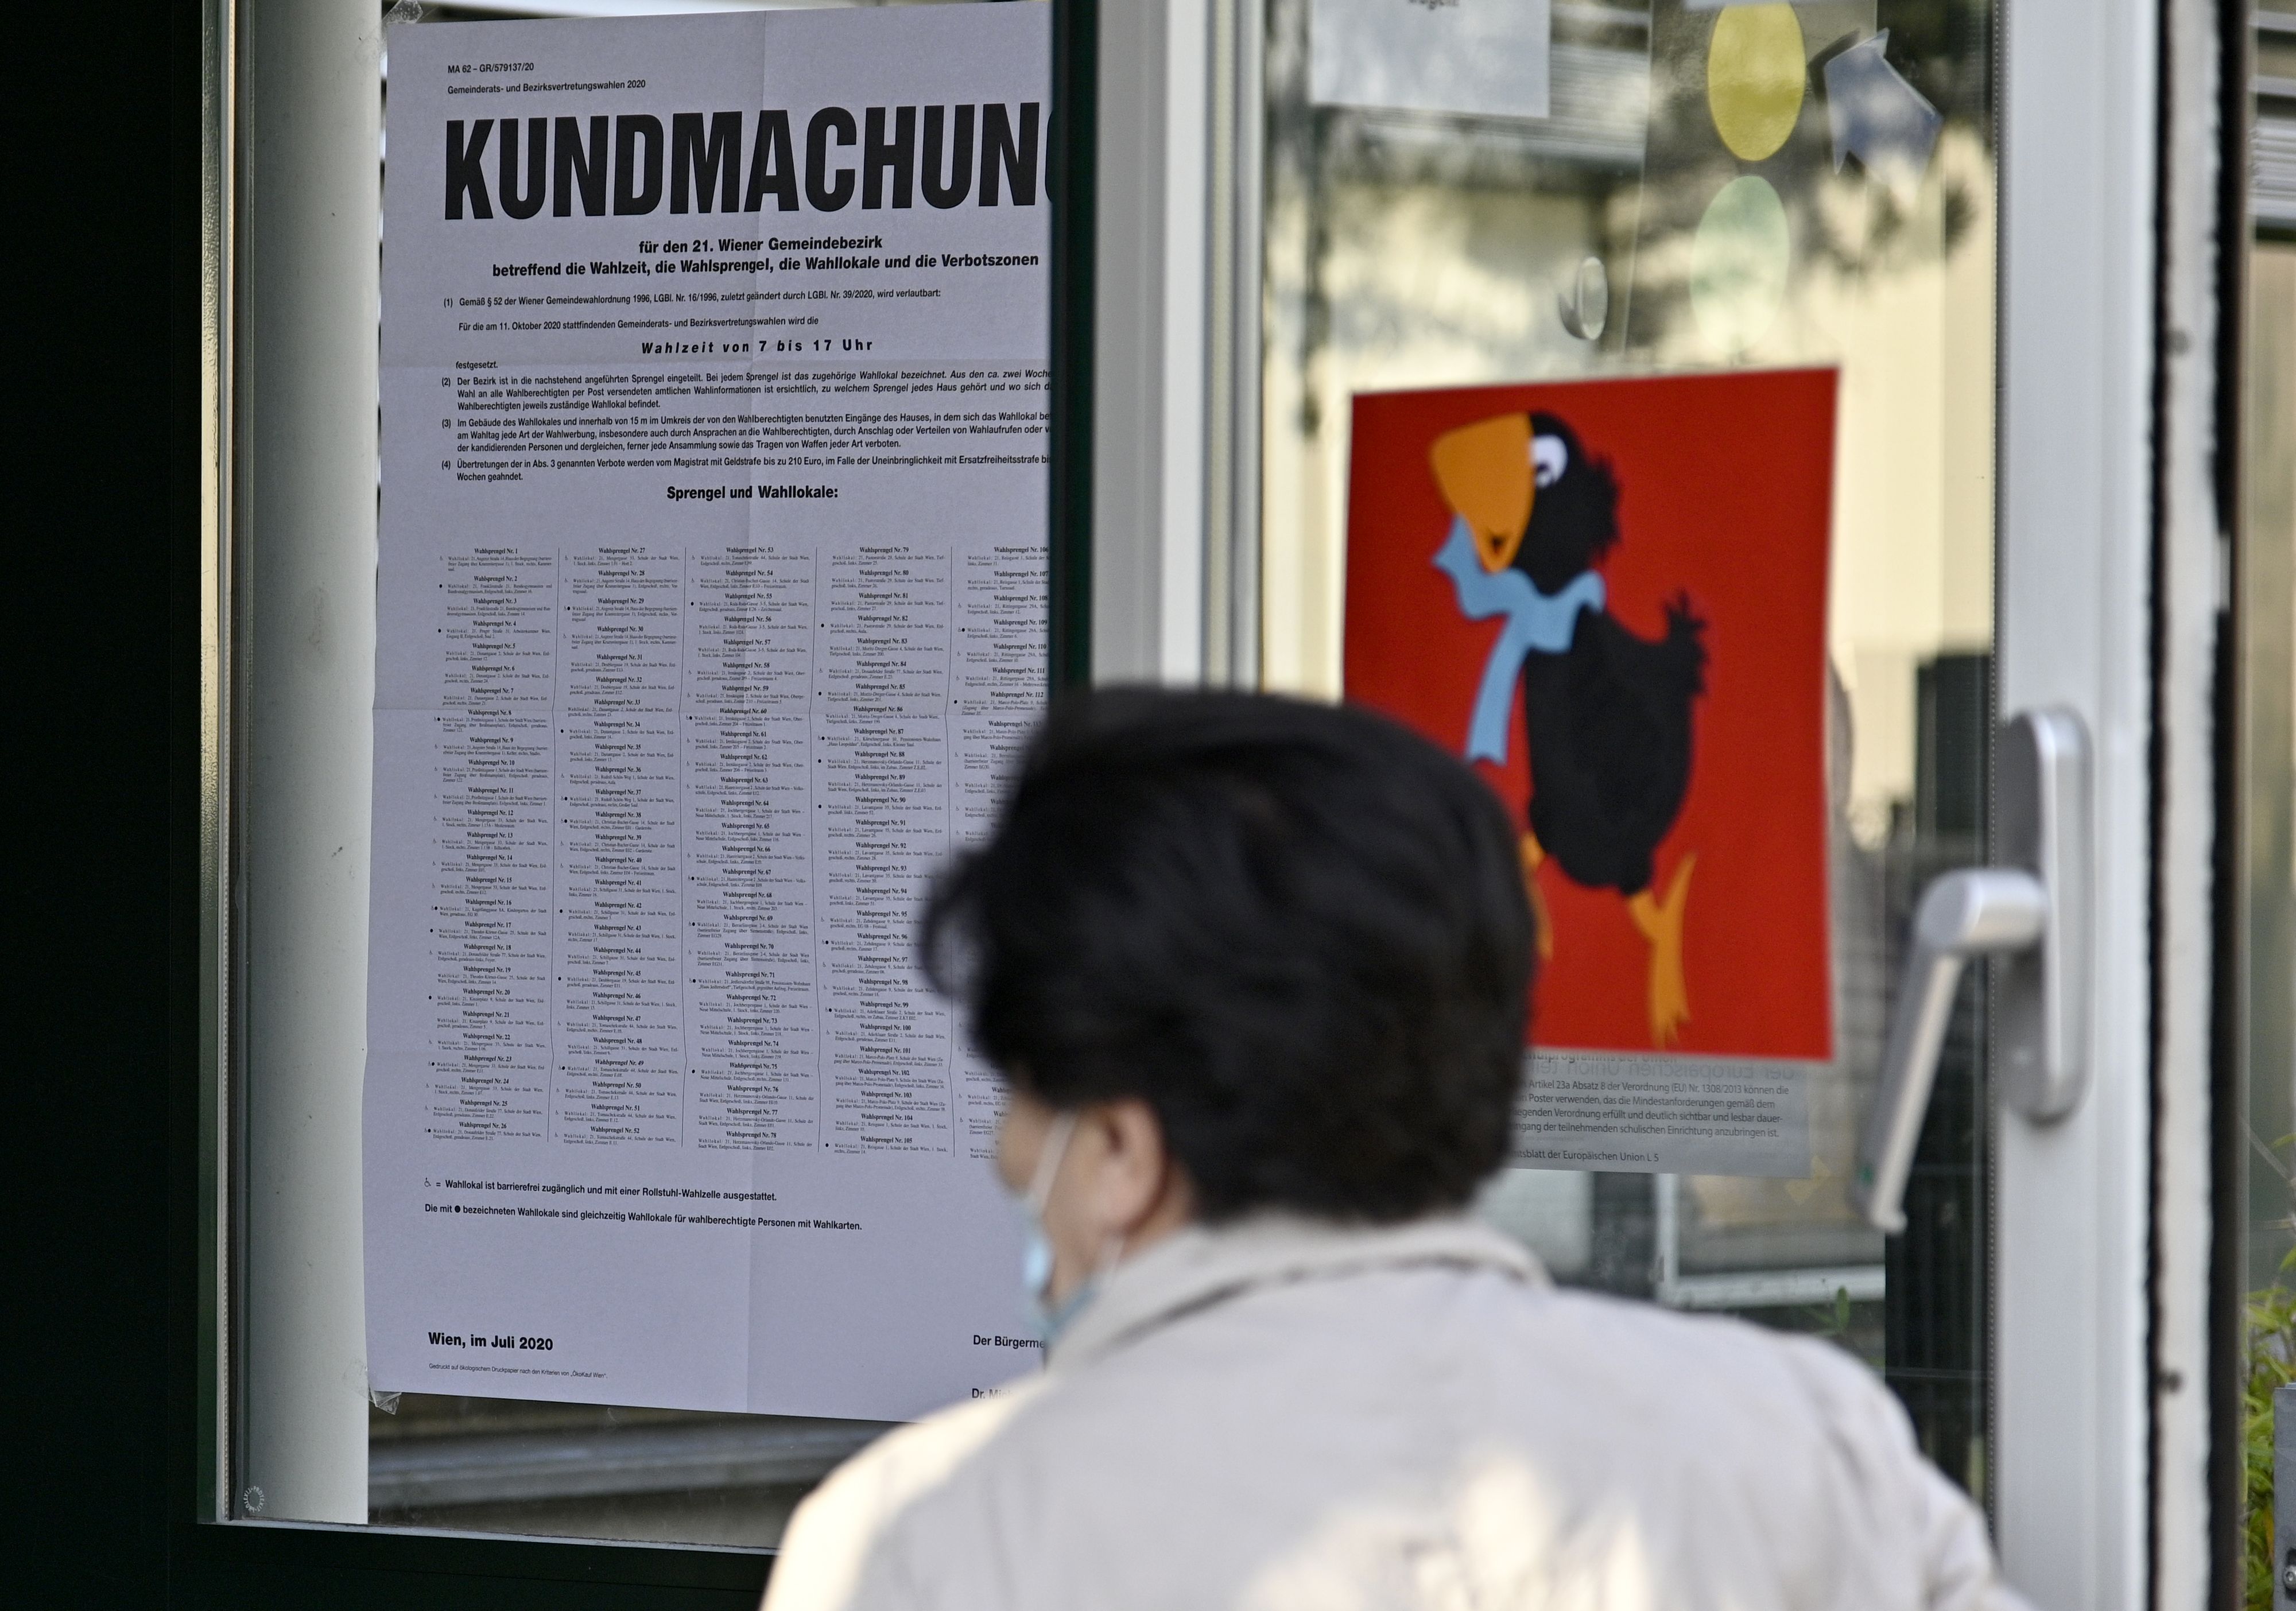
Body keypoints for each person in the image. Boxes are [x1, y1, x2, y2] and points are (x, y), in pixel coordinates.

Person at [761, 687, 2026, 1611]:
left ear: (1119, 1152)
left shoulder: (924, 1545)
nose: (1002, 1153)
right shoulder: (1803, 1447)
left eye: (1022, 1103)